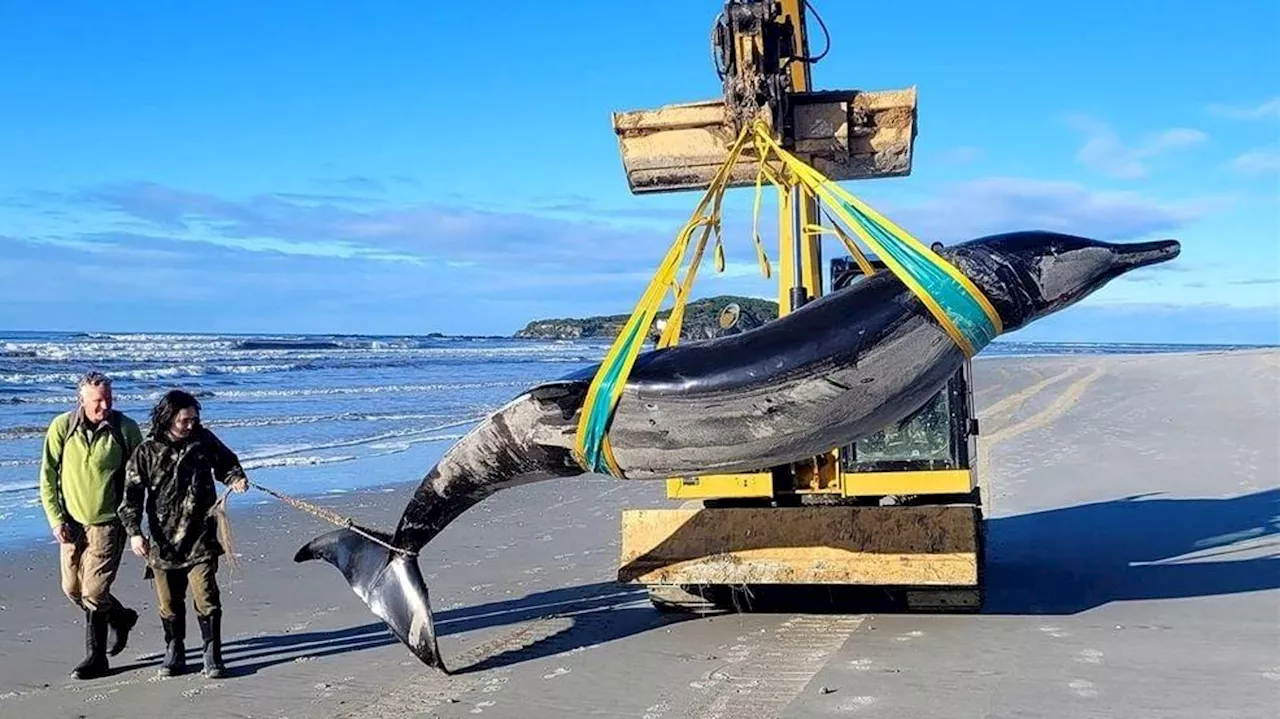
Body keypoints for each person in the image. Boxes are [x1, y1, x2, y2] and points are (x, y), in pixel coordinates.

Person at [118, 389, 248, 679]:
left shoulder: (203, 440)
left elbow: (226, 463)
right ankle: (174, 649)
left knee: (206, 595)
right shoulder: (147, 451)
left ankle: (212, 654)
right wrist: (134, 533)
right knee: (168, 602)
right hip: (163, 542)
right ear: (168, 418)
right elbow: (131, 496)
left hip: (201, 535)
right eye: (185, 420)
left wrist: (236, 478)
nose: (192, 424)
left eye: (195, 419)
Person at [38, 371, 144, 680]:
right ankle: (121, 617)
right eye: (97, 400)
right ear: (81, 400)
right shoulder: (62, 427)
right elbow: (48, 476)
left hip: (108, 523)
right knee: (72, 589)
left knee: (95, 591)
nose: (104, 406)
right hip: (71, 523)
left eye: (109, 399)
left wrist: (134, 521)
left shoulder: (125, 429)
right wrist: (56, 518)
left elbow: (138, 479)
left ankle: (96, 658)